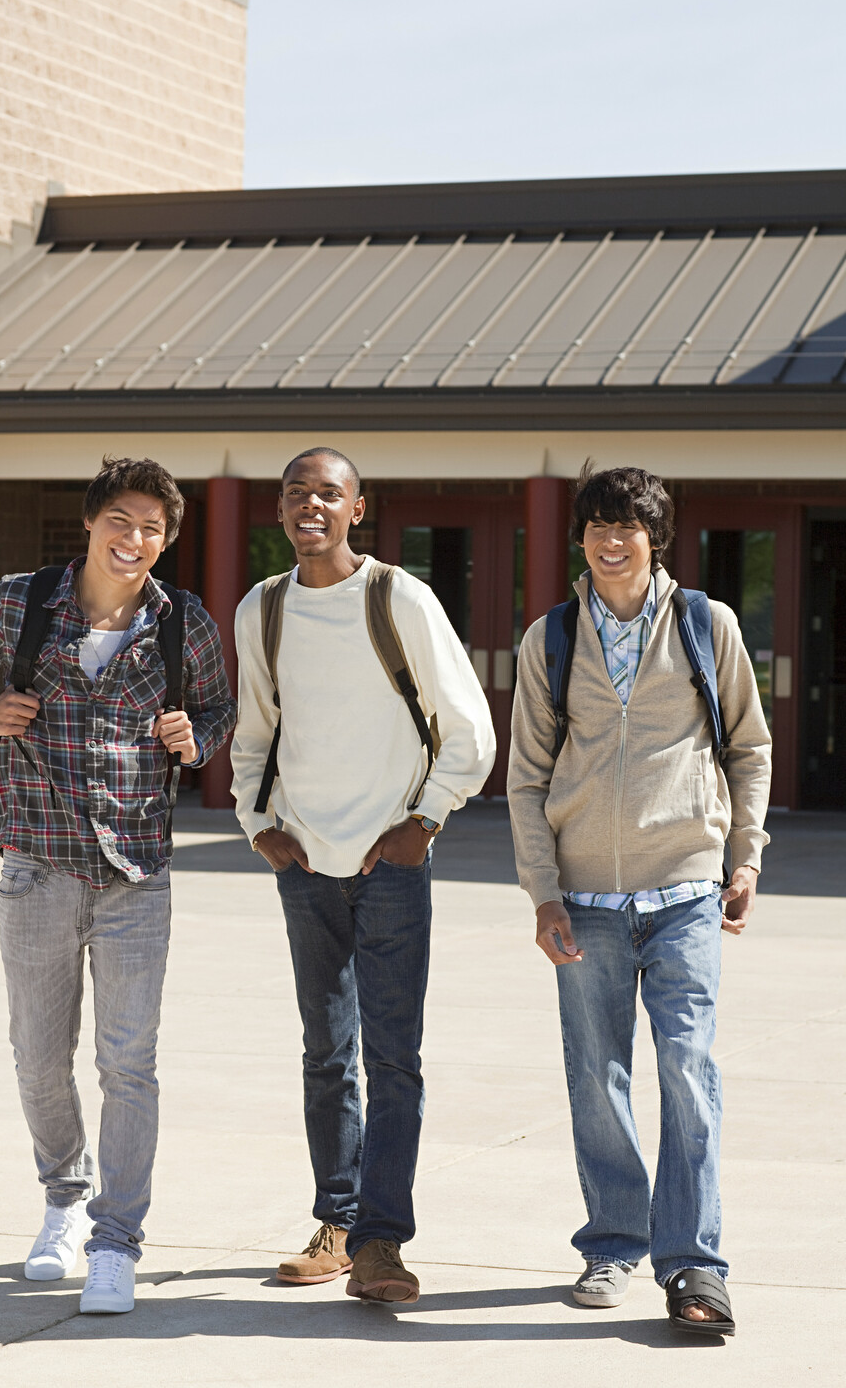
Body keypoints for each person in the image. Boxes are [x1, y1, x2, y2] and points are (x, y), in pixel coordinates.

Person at [0, 456, 235, 1314]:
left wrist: (193, 738)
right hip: (37, 866)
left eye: (154, 529)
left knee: (129, 1063)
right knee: (37, 1057)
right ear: (91, 523)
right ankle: (64, 1197)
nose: (136, 541)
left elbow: (217, 713)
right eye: (122, 521)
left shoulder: (185, 625)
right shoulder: (19, 603)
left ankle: (115, 1240)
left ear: (167, 540)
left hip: (139, 874)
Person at [508, 461, 771, 1336]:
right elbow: (526, 779)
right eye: (598, 526)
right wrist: (543, 893)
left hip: (686, 888)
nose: (613, 541)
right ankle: (615, 1241)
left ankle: (694, 1264)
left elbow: (749, 748)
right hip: (584, 898)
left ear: (656, 537)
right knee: (596, 1077)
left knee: (689, 1075)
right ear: (580, 537)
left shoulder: (706, 624)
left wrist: (745, 855)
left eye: (630, 526)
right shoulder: (550, 638)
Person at [230, 447, 495, 1304]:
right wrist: (259, 826)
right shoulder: (262, 608)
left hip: (389, 865)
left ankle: (382, 1241)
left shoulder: (398, 598)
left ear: (357, 509)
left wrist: (425, 821)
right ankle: (336, 1224)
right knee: (324, 1056)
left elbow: (470, 728)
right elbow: (254, 734)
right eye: (297, 493)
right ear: (280, 509)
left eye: (329, 494)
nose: (312, 505)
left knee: (393, 1057)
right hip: (304, 864)